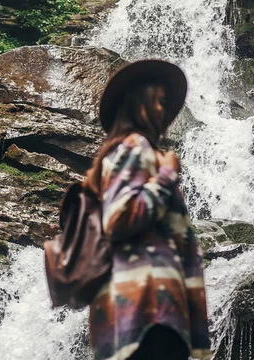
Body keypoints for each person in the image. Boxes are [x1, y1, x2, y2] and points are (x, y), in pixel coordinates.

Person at [84, 59, 211, 360]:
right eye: (160, 102)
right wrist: (166, 176)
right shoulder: (135, 146)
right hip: (150, 309)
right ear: (138, 103)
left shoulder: (125, 153)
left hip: (141, 310)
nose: (163, 111)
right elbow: (118, 219)